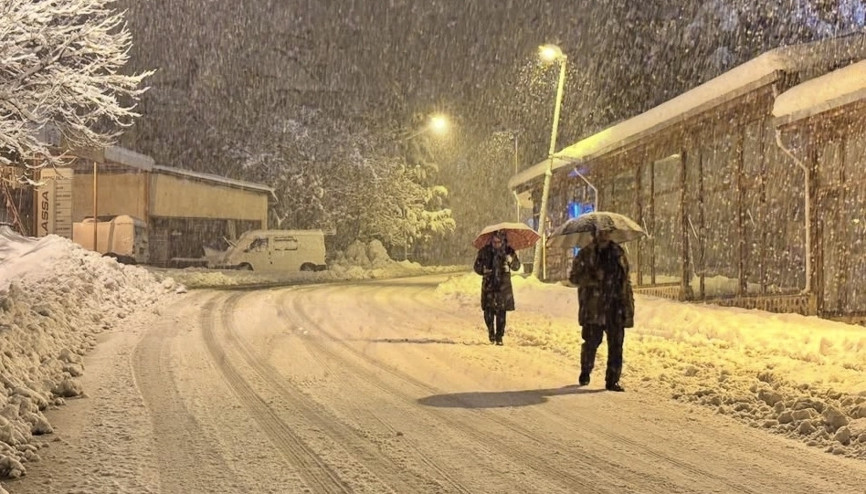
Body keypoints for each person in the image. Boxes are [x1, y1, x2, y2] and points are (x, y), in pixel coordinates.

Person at [569, 227, 634, 391]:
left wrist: (628, 304)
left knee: (616, 345)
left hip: (615, 305)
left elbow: (626, 280)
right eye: (601, 232)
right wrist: (592, 277)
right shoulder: (586, 254)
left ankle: (612, 380)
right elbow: (574, 277)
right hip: (594, 307)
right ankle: (586, 370)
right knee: (591, 342)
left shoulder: (618, 253)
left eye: (607, 232)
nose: (604, 235)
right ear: (594, 234)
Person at [473, 231, 521, 345]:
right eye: (494, 241)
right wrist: (483, 270)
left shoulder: (509, 251)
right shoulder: (484, 251)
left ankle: (499, 336)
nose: (496, 244)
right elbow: (476, 266)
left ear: (503, 241)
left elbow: (516, 267)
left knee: (501, 313)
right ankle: (491, 333)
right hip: (489, 286)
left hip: (503, 287)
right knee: (488, 312)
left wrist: (511, 260)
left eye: (498, 242)